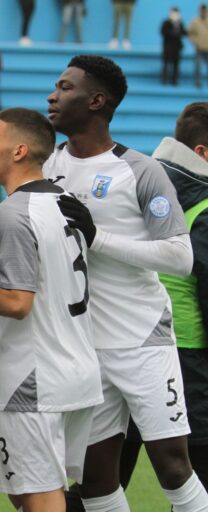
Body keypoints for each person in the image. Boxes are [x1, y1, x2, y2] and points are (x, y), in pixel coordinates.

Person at [44, 54, 208, 512]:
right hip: (84, 344)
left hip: (141, 338)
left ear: (96, 101)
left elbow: (180, 256)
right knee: (95, 480)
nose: (52, 96)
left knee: (173, 468)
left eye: (65, 87)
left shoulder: (139, 170)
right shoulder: (45, 164)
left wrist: (97, 237)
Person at [0, 107, 103, 512]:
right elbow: (42, 266)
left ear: (18, 151)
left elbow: (17, 303)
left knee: (40, 496)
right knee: (27, 491)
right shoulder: (64, 200)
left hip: (36, 377)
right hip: (77, 367)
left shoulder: (11, 213)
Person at [155, 102, 208, 490]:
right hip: (189, 354)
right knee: (196, 477)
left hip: (125, 345)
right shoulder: (203, 206)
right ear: (203, 153)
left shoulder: (136, 184)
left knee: (104, 480)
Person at [162, 7, 187, 86]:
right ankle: (164, 79)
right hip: (168, 47)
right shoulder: (166, 23)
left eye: (176, 13)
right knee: (166, 64)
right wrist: (172, 32)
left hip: (177, 48)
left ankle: (174, 80)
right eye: (173, 13)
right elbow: (163, 32)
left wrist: (179, 32)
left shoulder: (180, 23)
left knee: (176, 65)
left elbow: (184, 33)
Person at [188, 4, 208, 88]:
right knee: (198, 66)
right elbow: (190, 33)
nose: (203, 12)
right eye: (201, 10)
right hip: (199, 48)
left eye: (204, 10)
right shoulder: (195, 21)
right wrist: (195, 42)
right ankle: (197, 81)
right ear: (199, 11)